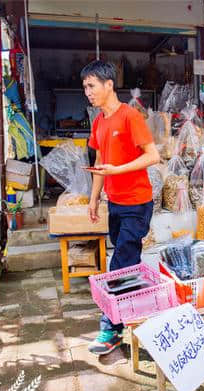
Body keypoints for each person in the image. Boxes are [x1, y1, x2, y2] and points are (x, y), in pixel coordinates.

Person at [83, 61, 160, 356]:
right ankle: (138, 316)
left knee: (121, 264)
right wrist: (93, 199)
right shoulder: (99, 122)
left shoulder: (130, 116)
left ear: (109, 85)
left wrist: (118, 170)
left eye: (92, 86)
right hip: (115, 203)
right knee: (126, 260)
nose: (88, 92)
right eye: (85, 88)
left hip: (137, 203)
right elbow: (101, 163)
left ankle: (111, 328)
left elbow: (153, 156)